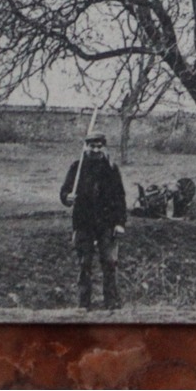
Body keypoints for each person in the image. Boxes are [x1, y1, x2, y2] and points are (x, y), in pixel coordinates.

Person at [59, 132, 127, 310]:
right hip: (83, 222)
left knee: (109, 262)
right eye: (92, 146)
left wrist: (120, 223)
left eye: (99, 146)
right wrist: (68, 197)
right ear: (86, 147)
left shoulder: (111, 168)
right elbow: (64, 191)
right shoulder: (77, 167)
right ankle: (84, 304)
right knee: (84, 263)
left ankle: (111, 303)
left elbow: (120, 197)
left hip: (107, 223)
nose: (96, 150)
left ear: (103, 147)